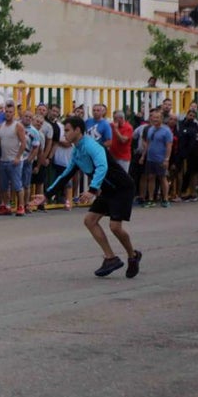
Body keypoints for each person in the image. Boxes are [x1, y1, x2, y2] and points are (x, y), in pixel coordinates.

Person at [40, 117, 140, 278]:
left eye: (67, 130)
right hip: (108, 190)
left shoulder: (92, 145)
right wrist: (46, 195)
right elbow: (66, 174)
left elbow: (102, 166)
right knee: (90, 221)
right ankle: (111, 258)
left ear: (78, 130)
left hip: (122, 188)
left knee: (115, 227)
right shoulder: (77, 151)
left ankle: (133, 256)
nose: (64, 134)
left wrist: (92, 190)